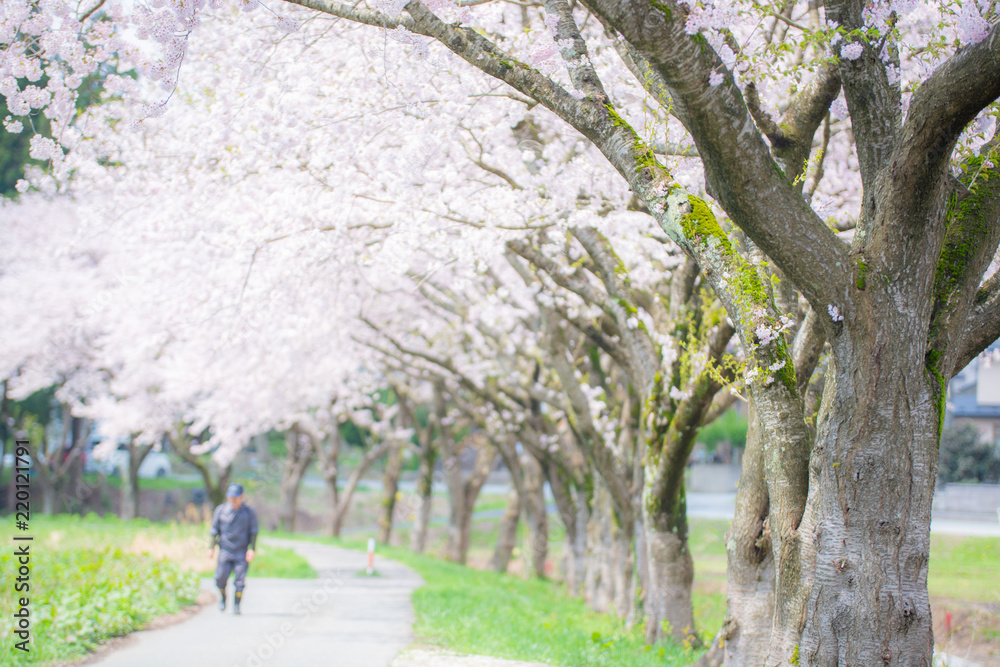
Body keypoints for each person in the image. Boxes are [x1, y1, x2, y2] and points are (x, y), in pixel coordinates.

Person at [209, 483, 258, 615]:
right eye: (231, 498)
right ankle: (223, 596)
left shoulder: (248, 513)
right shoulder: (221, 510)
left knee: (240, 581)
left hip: (241, 551)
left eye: (236, 498)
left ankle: (237, 606)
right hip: (225, 550)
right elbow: (214, 530)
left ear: (242, 497)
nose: (233, 500)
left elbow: (253, 531)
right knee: (220, 578)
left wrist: (252, 549)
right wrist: (211, 547)